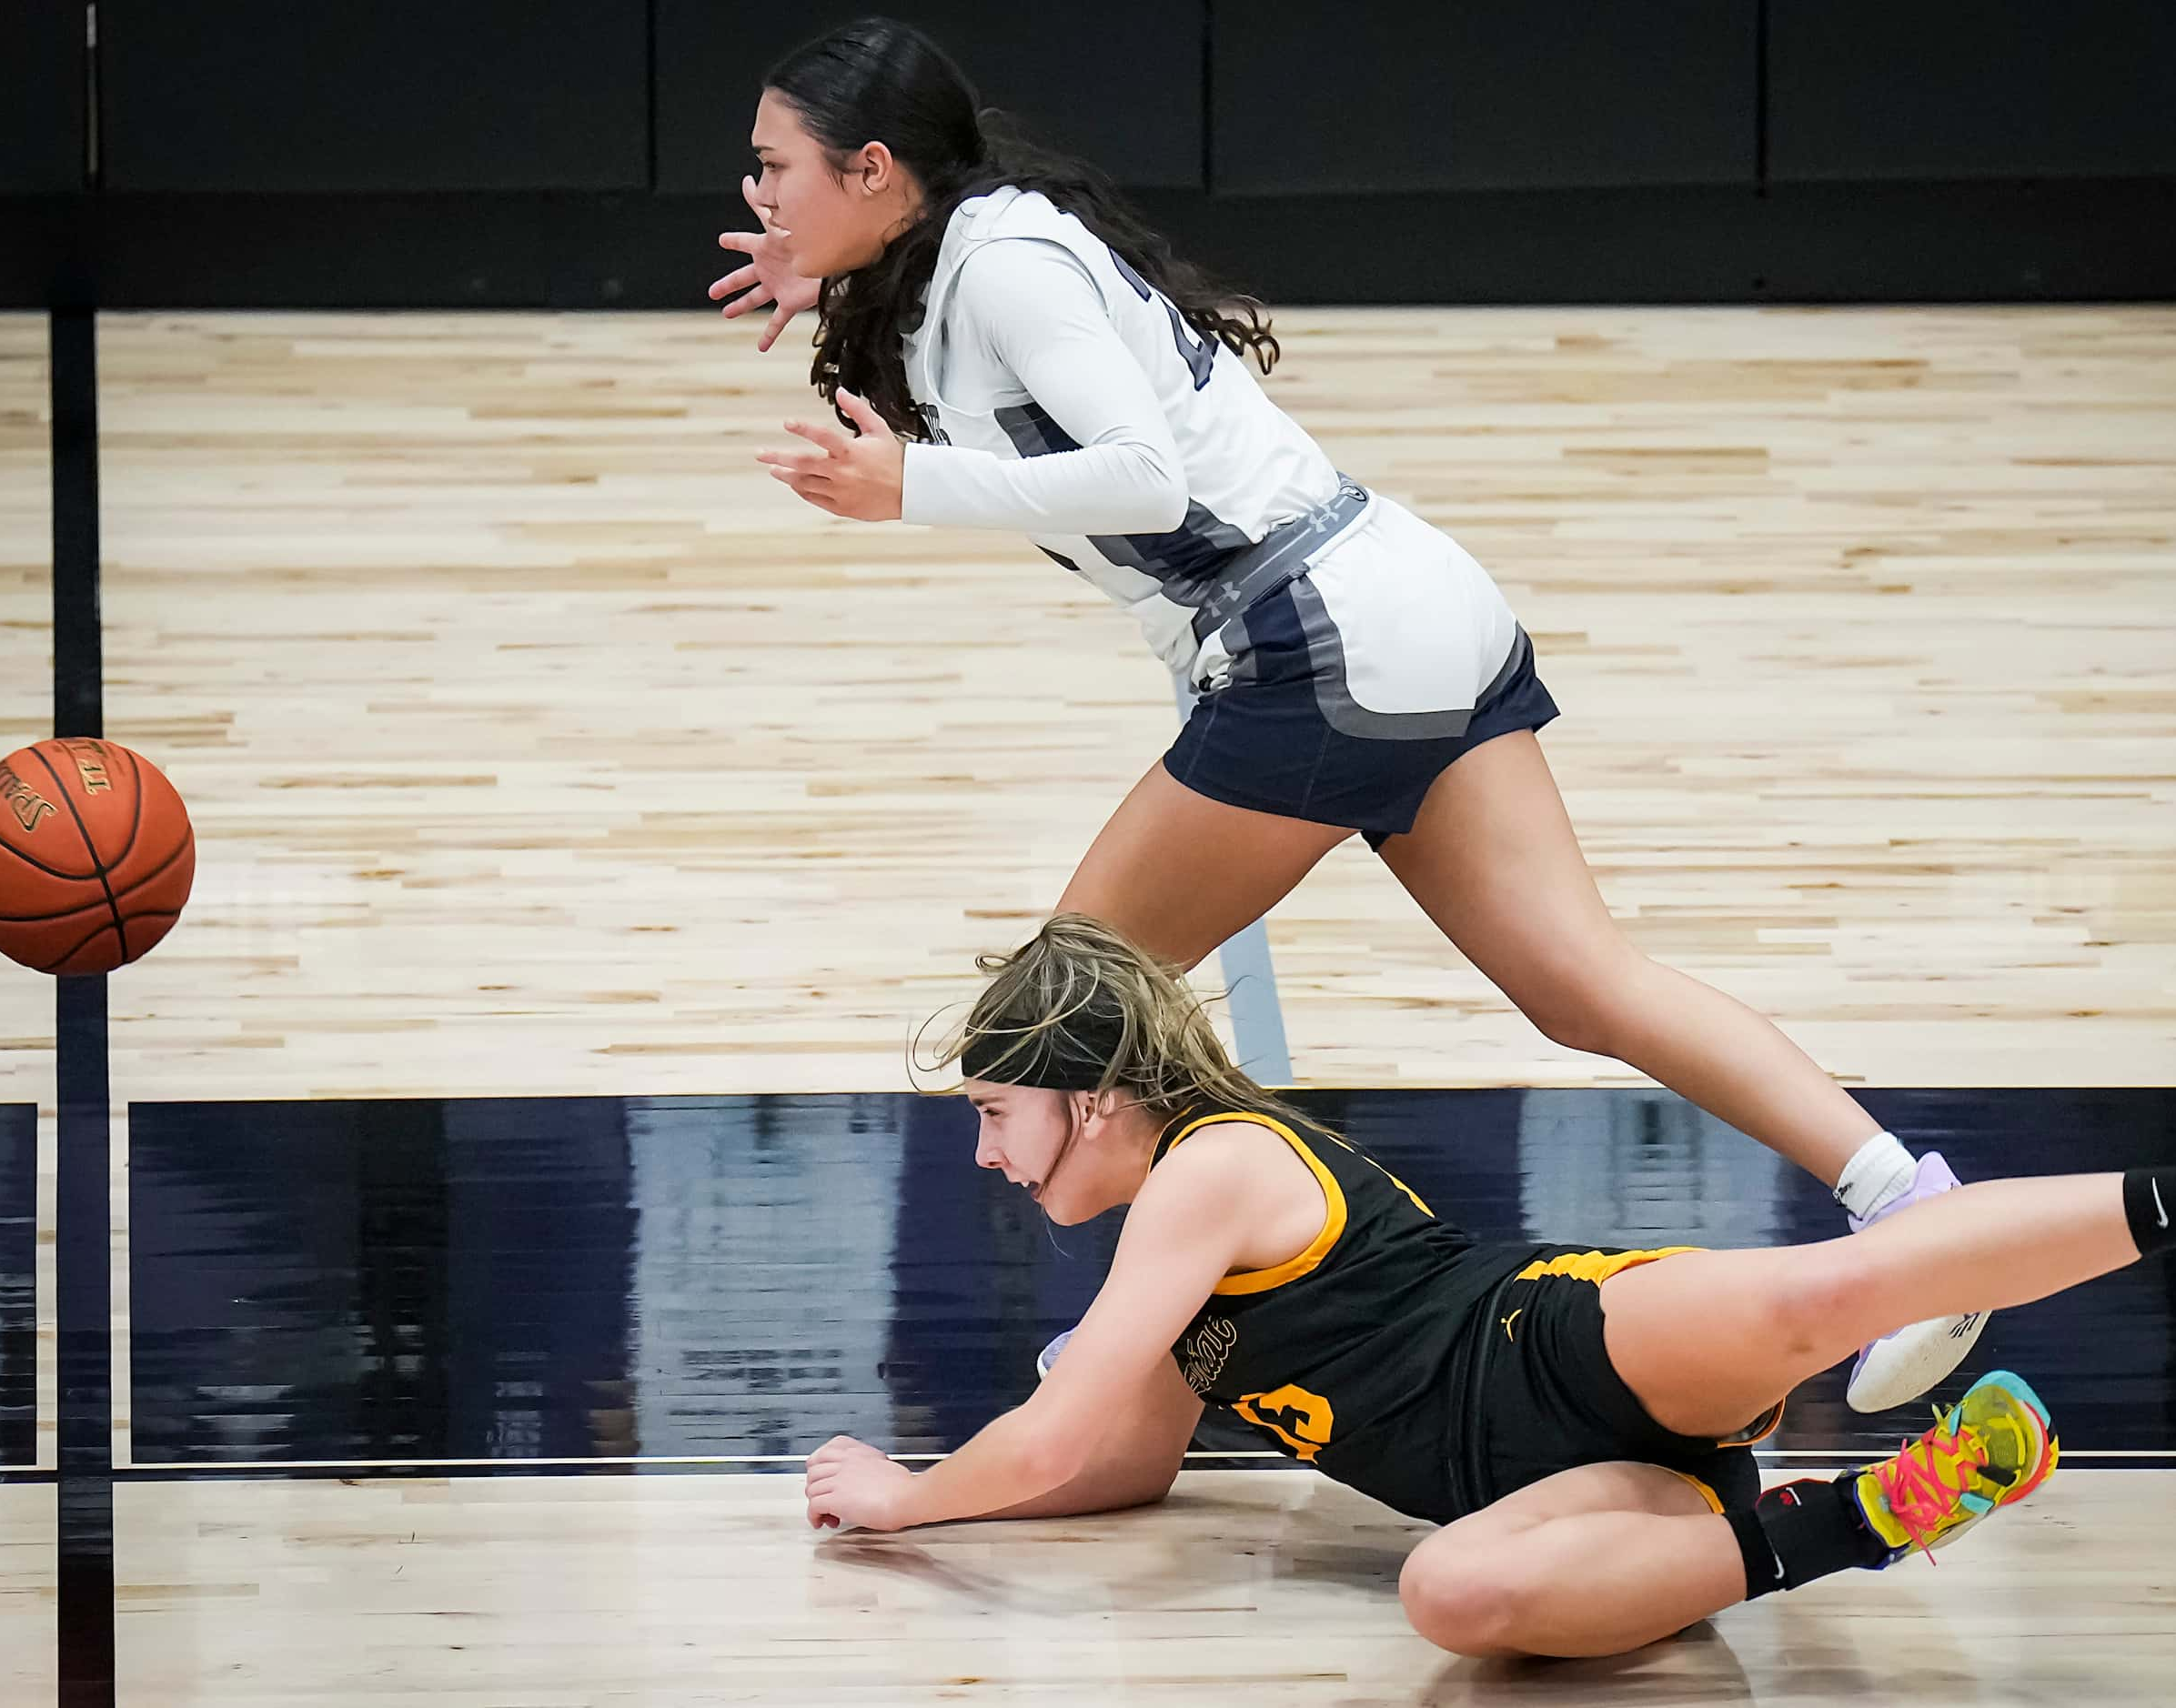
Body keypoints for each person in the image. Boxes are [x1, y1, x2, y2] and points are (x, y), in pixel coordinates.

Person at [719, 18, 1984, 1409]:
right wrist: (818, 270)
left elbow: (1143, 478)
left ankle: (1148, 1345)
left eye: (776, 169)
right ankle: (1915, 1210)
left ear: (877, 167)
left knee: (1055, 1018)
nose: (756, 193)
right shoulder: (963, 259)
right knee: (1582, 983)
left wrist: (917, 491)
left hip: (1313, 643)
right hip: (1406, 607)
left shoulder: (1009, 269)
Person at [797, 915, 2176, 1658]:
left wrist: (906, 1496)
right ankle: (1870, 1516)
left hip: (1554, 1341)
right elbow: (1123, 1455)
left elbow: (1069, 1419)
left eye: (997, 1118)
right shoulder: (1162, 1243)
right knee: (1454, 1605)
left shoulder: (1211, 1164)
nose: (992, 1161)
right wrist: (1009, 1483)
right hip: (1570, 1492)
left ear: (1089, 1093)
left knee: (1810, 1300)